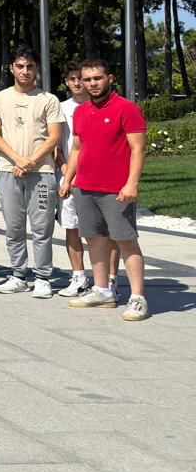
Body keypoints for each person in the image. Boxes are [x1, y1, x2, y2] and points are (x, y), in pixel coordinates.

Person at [63, 59, 149, 321]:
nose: (92, 84)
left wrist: (131, 182)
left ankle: (137, 297)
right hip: (85, 187)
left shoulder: (127, 109)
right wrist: (68, 179)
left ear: (109, 78)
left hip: (116, 190)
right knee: (95, 239)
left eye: (97, 78)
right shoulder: (81, 111)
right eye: (87, 79)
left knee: (125, 241)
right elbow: (77, 148)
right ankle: (102, 289)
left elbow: (138, 149)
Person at [0, 47, 65, 297]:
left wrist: (30, 161)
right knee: (14, 227)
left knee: (42, 228)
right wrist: (19, 160)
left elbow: (54, 137)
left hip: (41, 172)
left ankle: (42, 277)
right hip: (9, 170)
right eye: (20, 66)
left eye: (30, 66)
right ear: (11, 68)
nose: (25, 71)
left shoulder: (48, 99)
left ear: (36, 69)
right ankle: (18, 274)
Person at [55, 61, 99, 298]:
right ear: (67, 82)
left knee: (98, 231)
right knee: (71, 227)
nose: (77, 82)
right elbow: (55, 144)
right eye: (72, 78)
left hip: (96, 176)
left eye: (80, 78)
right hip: (67, 177)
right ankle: (78, 276)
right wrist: (66, 173)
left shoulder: (99, 106)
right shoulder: (60, 108)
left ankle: (105, 280)